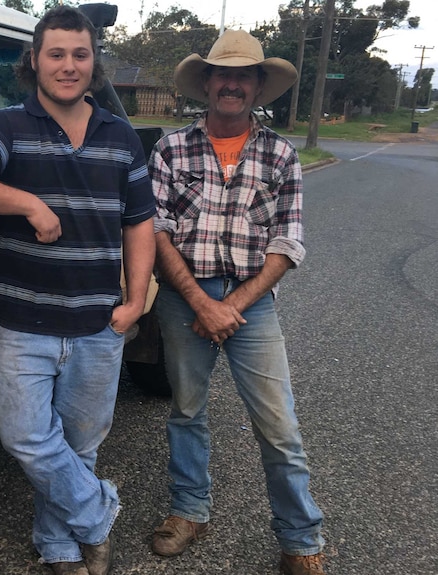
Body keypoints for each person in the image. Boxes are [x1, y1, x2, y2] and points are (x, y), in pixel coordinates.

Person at [0, 6, 155, 575]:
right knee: (27, 439)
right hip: (24, 325)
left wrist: (134, 300)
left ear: (94, 61)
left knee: (78, 449)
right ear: (35, 60)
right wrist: (26, 202)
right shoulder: (7, 126)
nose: (69, 65)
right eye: (56, 53)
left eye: (80, 54)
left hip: (99, 326)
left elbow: (139, 222)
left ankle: (59, 549)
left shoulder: (120, 136)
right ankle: (99, 513)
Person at [147, 30, 327, 575]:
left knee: (280, 427)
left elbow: (288, 242)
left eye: (243, 75)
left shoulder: (280, 153)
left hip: (254, 305)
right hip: (184, 300)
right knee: (186, 411)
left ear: (257, 86)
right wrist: (201, 302)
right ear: (206, 82)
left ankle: (300, 541)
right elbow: (155, 231)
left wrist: (232, 305)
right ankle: (188, 510)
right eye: (222, 74)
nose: (231, 83)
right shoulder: (170, 149)